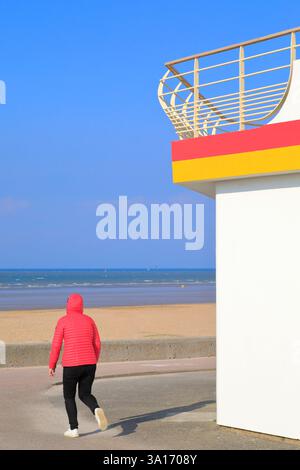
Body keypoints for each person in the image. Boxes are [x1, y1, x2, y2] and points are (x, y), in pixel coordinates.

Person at [49, 293, 107, 438]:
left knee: (69, 397)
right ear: (81, 305)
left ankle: (73, 429)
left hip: (71, 365)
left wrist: (52, 364)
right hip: (90, 364)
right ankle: (96, 409)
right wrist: (94, 359)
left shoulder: (63, 321)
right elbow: (97, 343)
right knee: (85, 394)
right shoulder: (89, 320)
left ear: (68, 305)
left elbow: (56, 345)